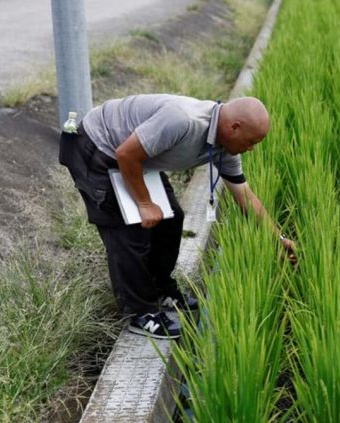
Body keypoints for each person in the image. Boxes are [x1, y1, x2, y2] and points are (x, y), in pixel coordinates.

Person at [59, 94, 296, 340]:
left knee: (171, 219)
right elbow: (126, 154)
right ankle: (140, 312)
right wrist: (144, 203)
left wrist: (277, 238)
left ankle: (161, 288)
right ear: (234, 127)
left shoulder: (226, 149)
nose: (252, 148)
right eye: (251, 141)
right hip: (100, 146)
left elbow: (245, 196)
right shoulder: (183, 120)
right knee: (131, 229)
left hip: (137, 158)